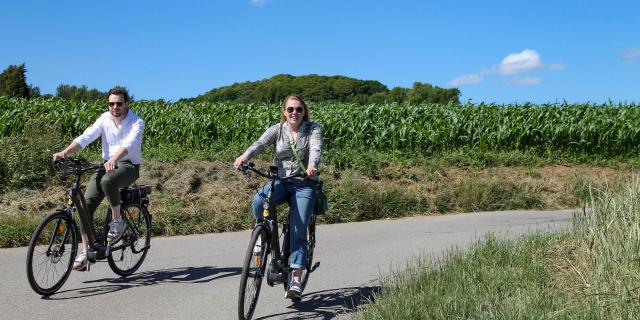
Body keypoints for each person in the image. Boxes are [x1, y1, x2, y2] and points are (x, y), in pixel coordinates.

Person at [234, 94, 323, 299]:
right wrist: (245, 156)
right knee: (259, 200)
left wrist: (312, 166)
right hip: (281, 181)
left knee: (297, 229)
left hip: (303, 184)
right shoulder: (278, 130)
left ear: (304, 112)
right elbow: (260, 143)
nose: (294, 113)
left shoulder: (313, 129)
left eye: (299, 109)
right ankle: (264, 235)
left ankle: (296, 280)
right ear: (284, 112)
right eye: (290, 109)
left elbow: (316, 149)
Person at [52, 86, 144, 271]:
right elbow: (86, 137)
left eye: (119, 103)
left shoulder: (136, 122)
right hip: (107, 165)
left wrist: (113, 159)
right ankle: (87, 252)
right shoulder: (104, 118)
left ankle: (118, 221)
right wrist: (65, 152)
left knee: (107, 181)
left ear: (126, 104)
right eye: (111, 104)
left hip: (128, 166)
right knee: (84, 207)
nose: (115, 107)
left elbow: (130, 144)